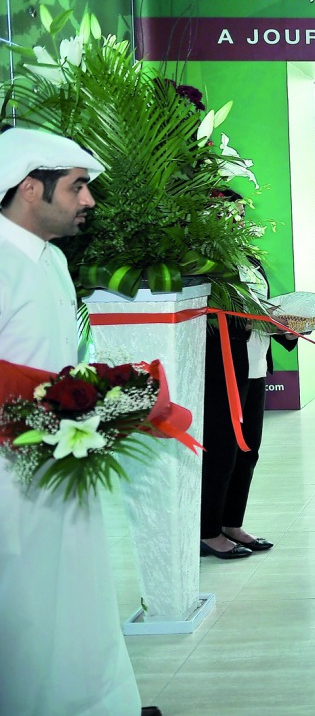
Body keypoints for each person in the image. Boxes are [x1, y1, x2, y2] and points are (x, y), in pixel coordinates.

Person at [0, 128, 148, 715]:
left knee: (79, 590)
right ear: (31, 188)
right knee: (27, 599)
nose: (89, 201)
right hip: (11, 475)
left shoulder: (55, 263)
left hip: (61, 460)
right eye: (79, 187)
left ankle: (92, 700)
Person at [199, 191, 294, 560]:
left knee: (248, 448)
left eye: (238, 214)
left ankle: (230, 522)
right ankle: (207, 530)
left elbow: (259, 308)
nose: (234, 221)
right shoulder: (203, 264)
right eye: (224, 214)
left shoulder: (249, 259)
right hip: (221, 367)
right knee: (221, 448)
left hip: (254, 365)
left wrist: (285, 326)